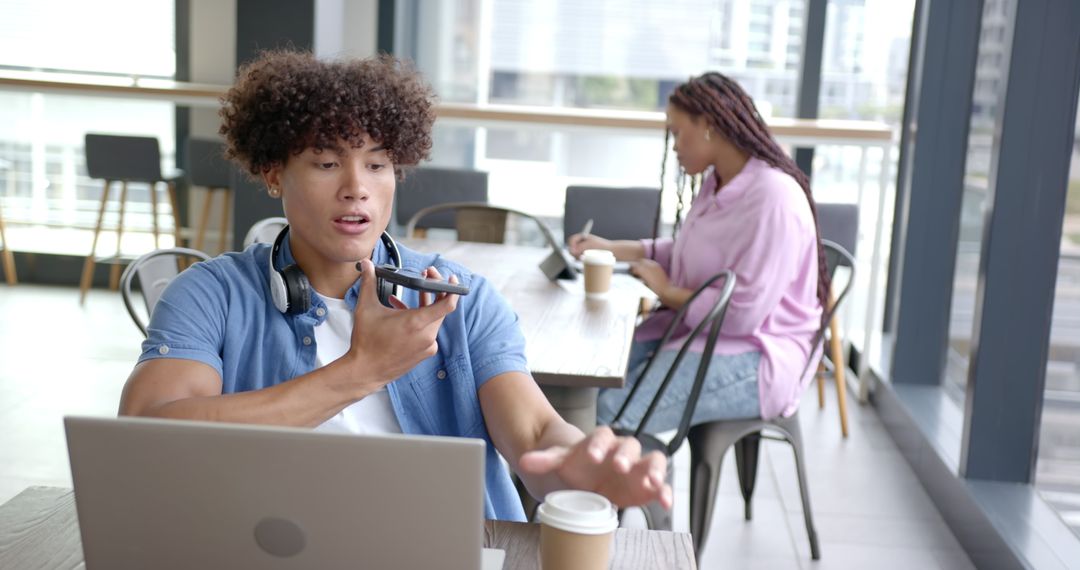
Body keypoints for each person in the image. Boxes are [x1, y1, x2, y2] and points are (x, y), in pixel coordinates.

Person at [117, 50, 671, 521]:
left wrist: (582, 467)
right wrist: (359, 372)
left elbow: (534, 436)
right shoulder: (210, 294)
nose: (356, 188)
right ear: (272, 173)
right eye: (327, 162)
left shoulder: (460, 299)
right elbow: (147, 434)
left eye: (378, 164)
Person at [569, 72, 827, 431]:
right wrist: (615, 249)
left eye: (676, 132)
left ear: (707, 125)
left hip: (760, 356)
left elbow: (740, 317)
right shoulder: (718, 182)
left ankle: (629, 482)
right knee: (586, 383)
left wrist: (667, 291)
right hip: (702, 335)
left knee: (608, 415)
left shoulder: (774, 198)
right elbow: (692, 252)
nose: (673, 146)